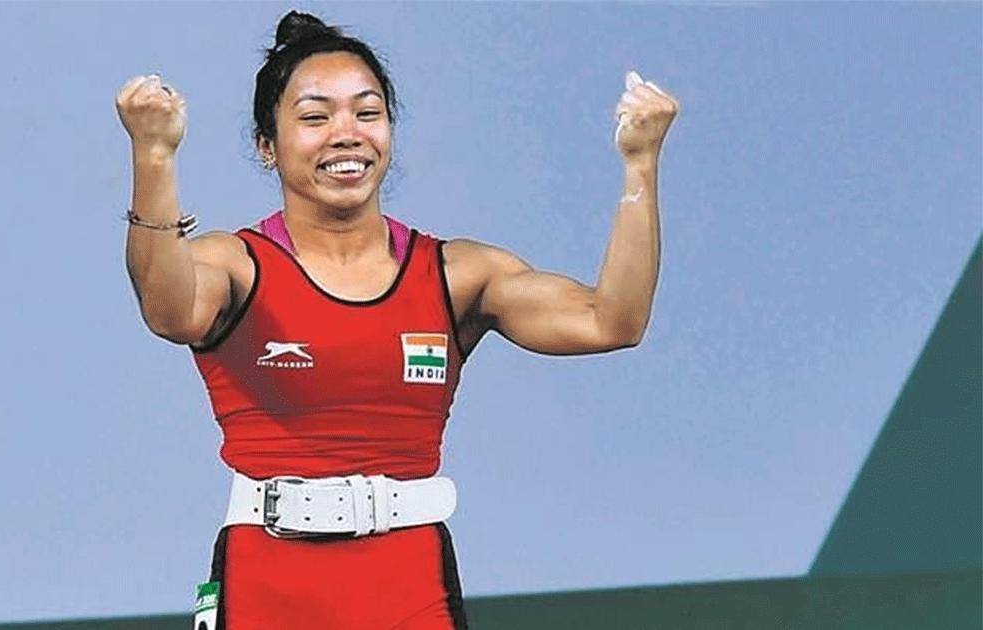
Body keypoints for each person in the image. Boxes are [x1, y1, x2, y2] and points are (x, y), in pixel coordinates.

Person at [116, 10, 677, 630]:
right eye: (314, 117)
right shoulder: (234, 265)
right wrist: (154, 155)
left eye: (367, 112)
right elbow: (168, 311)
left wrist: (640, 166)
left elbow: (611, 321)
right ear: (266, 146)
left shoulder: (458, 274)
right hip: (265, 585)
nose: (346, 134)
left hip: (411, 588)